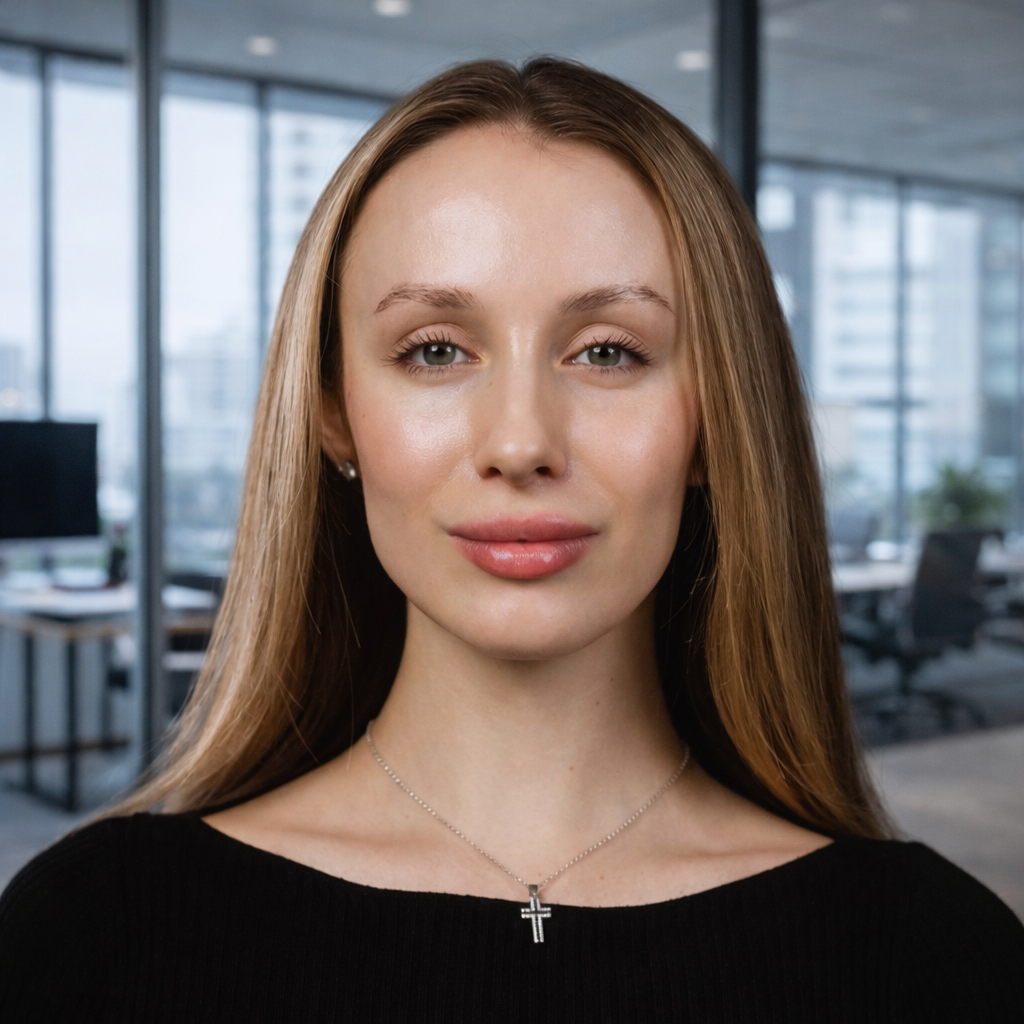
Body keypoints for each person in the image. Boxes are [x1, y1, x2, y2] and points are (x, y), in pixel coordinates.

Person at [1, 57, 1021, 1022]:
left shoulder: (937, 960)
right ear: (334, 415)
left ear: (715, 420)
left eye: (609, 350)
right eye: (436, 350)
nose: (521, 441)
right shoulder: (87, 940)